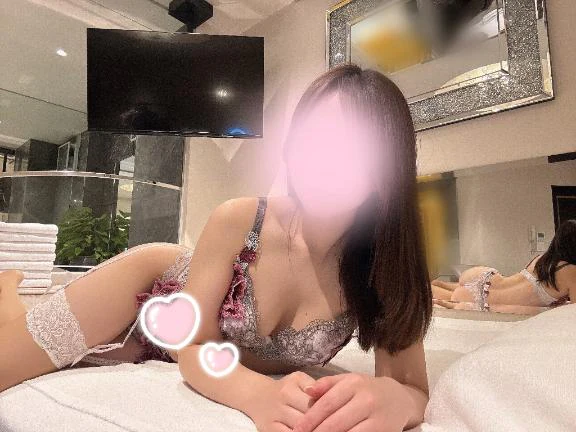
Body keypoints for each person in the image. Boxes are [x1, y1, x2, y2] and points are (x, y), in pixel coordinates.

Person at [0, 64, 432, 432]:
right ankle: (7, 290)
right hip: (147, 290)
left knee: (69, 357)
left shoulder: (385, 266)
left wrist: (394, 399)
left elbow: (411, 387)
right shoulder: (239, 219)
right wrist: (258, 394)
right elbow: (190, 346)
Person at [431, 219, 575, 312]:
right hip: (488, 299)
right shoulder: (571, 271)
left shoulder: (543, 258)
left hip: (486, 278)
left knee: (454, 290)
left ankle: (434, 284)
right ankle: (427, 287)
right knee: (453, 296)